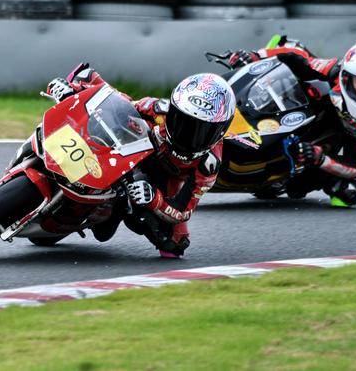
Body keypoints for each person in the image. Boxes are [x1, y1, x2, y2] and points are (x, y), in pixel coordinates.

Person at [47, 63, 235, 257]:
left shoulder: (209, 164)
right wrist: (75, 92)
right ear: (173, 110)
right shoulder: (159, 110)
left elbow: (183, 210)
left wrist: (154, 199)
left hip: (160, 183)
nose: (188, 135)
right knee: (90, 94)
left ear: (221, 131)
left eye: (202, 130)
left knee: (175, 243)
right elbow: (119, 103)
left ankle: (110, 209)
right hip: (131, 151)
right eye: (182, 122)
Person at [228, 36, 356, 206]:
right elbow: (299, 57)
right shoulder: (335, 71)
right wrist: (256, 56)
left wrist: (319, 157)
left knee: (346, 192)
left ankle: (282, 177)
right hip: (320, 113)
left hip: (346, 142)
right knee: (292, 56)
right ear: (346, 77)